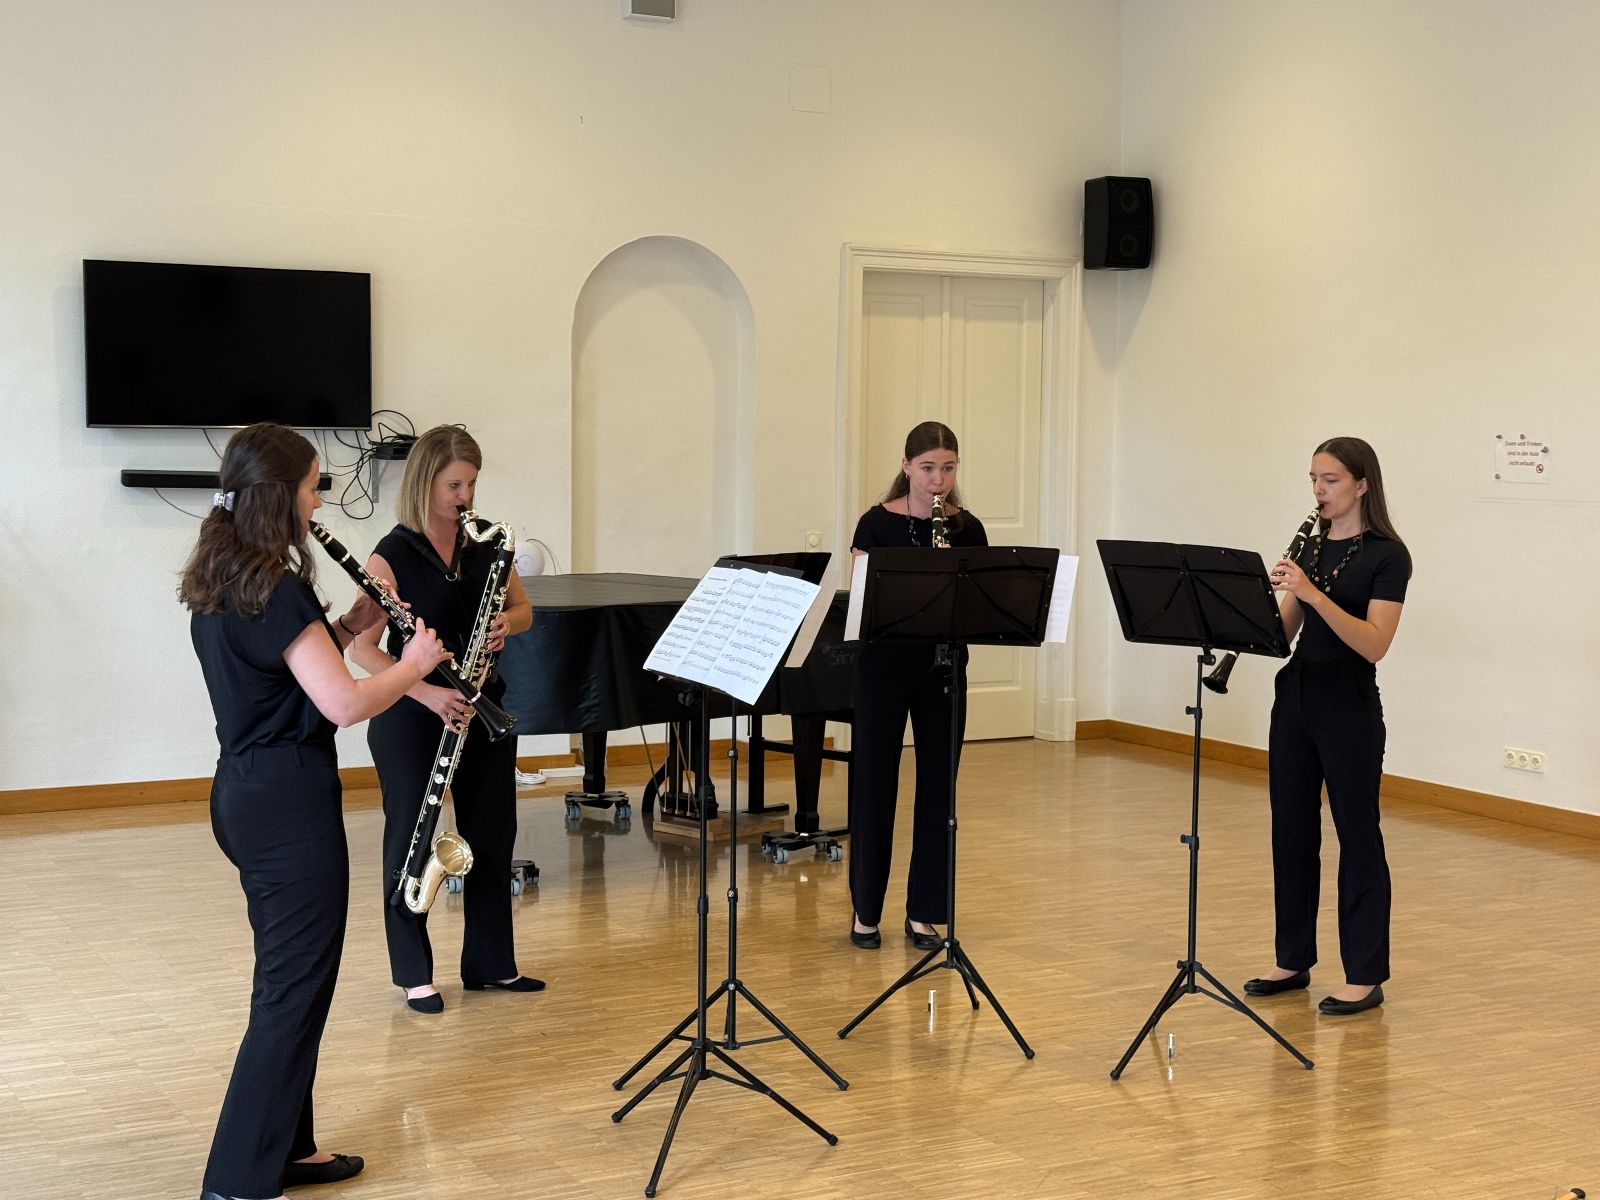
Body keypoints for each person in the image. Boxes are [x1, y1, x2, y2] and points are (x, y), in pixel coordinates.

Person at [182, 423, 448, 1200]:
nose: (319, 501)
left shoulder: (226, 577)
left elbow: (289, 666)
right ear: (280, 497)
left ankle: (287, 1149)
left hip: (245, 793)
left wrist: (356, 624)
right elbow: (344, 702)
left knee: (294, 980)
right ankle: (237, 1179)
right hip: (288, 806)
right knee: (292, 989)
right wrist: (414, 665)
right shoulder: (278, 586)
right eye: (311, 487)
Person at [350, 424, 537, 1014]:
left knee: (493, 834)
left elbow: (523, 608)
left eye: (472, 484)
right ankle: (414, 973)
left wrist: (508, 624)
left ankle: (491, 965)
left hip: (482, 707)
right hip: (414, 715)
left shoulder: (488, 543)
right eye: (454, 485)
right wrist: (427, 693)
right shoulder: (392, 553)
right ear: (425, 481)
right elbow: (361, 648)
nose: (466, 497)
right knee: (411, 839)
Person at [1243, 436, 1411, 1016]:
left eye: (1331, 480)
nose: (1319, 490)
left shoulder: (1389, 556)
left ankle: (1365, 974)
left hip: (1349, 705)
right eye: (1313, 479)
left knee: (1357, 833)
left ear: (1362, 485)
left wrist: (1313, 593)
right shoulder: (1311, 548)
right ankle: (1292, 959)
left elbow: (1374, 644)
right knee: (1290, 830)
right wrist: (1268, 601)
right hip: (1295, 697)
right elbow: (1282, 636)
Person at [847, 421, 988, 951]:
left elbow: (981, 605)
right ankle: (866, 910)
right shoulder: (874, 524)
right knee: (873, 786)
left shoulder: (967, 529)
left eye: (947, 468)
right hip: (882, 668)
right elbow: (863, 604)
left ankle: (924, 912)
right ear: (906, 466)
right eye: (927, 468)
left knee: (938, 791)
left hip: (942, 670)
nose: (938, 480)